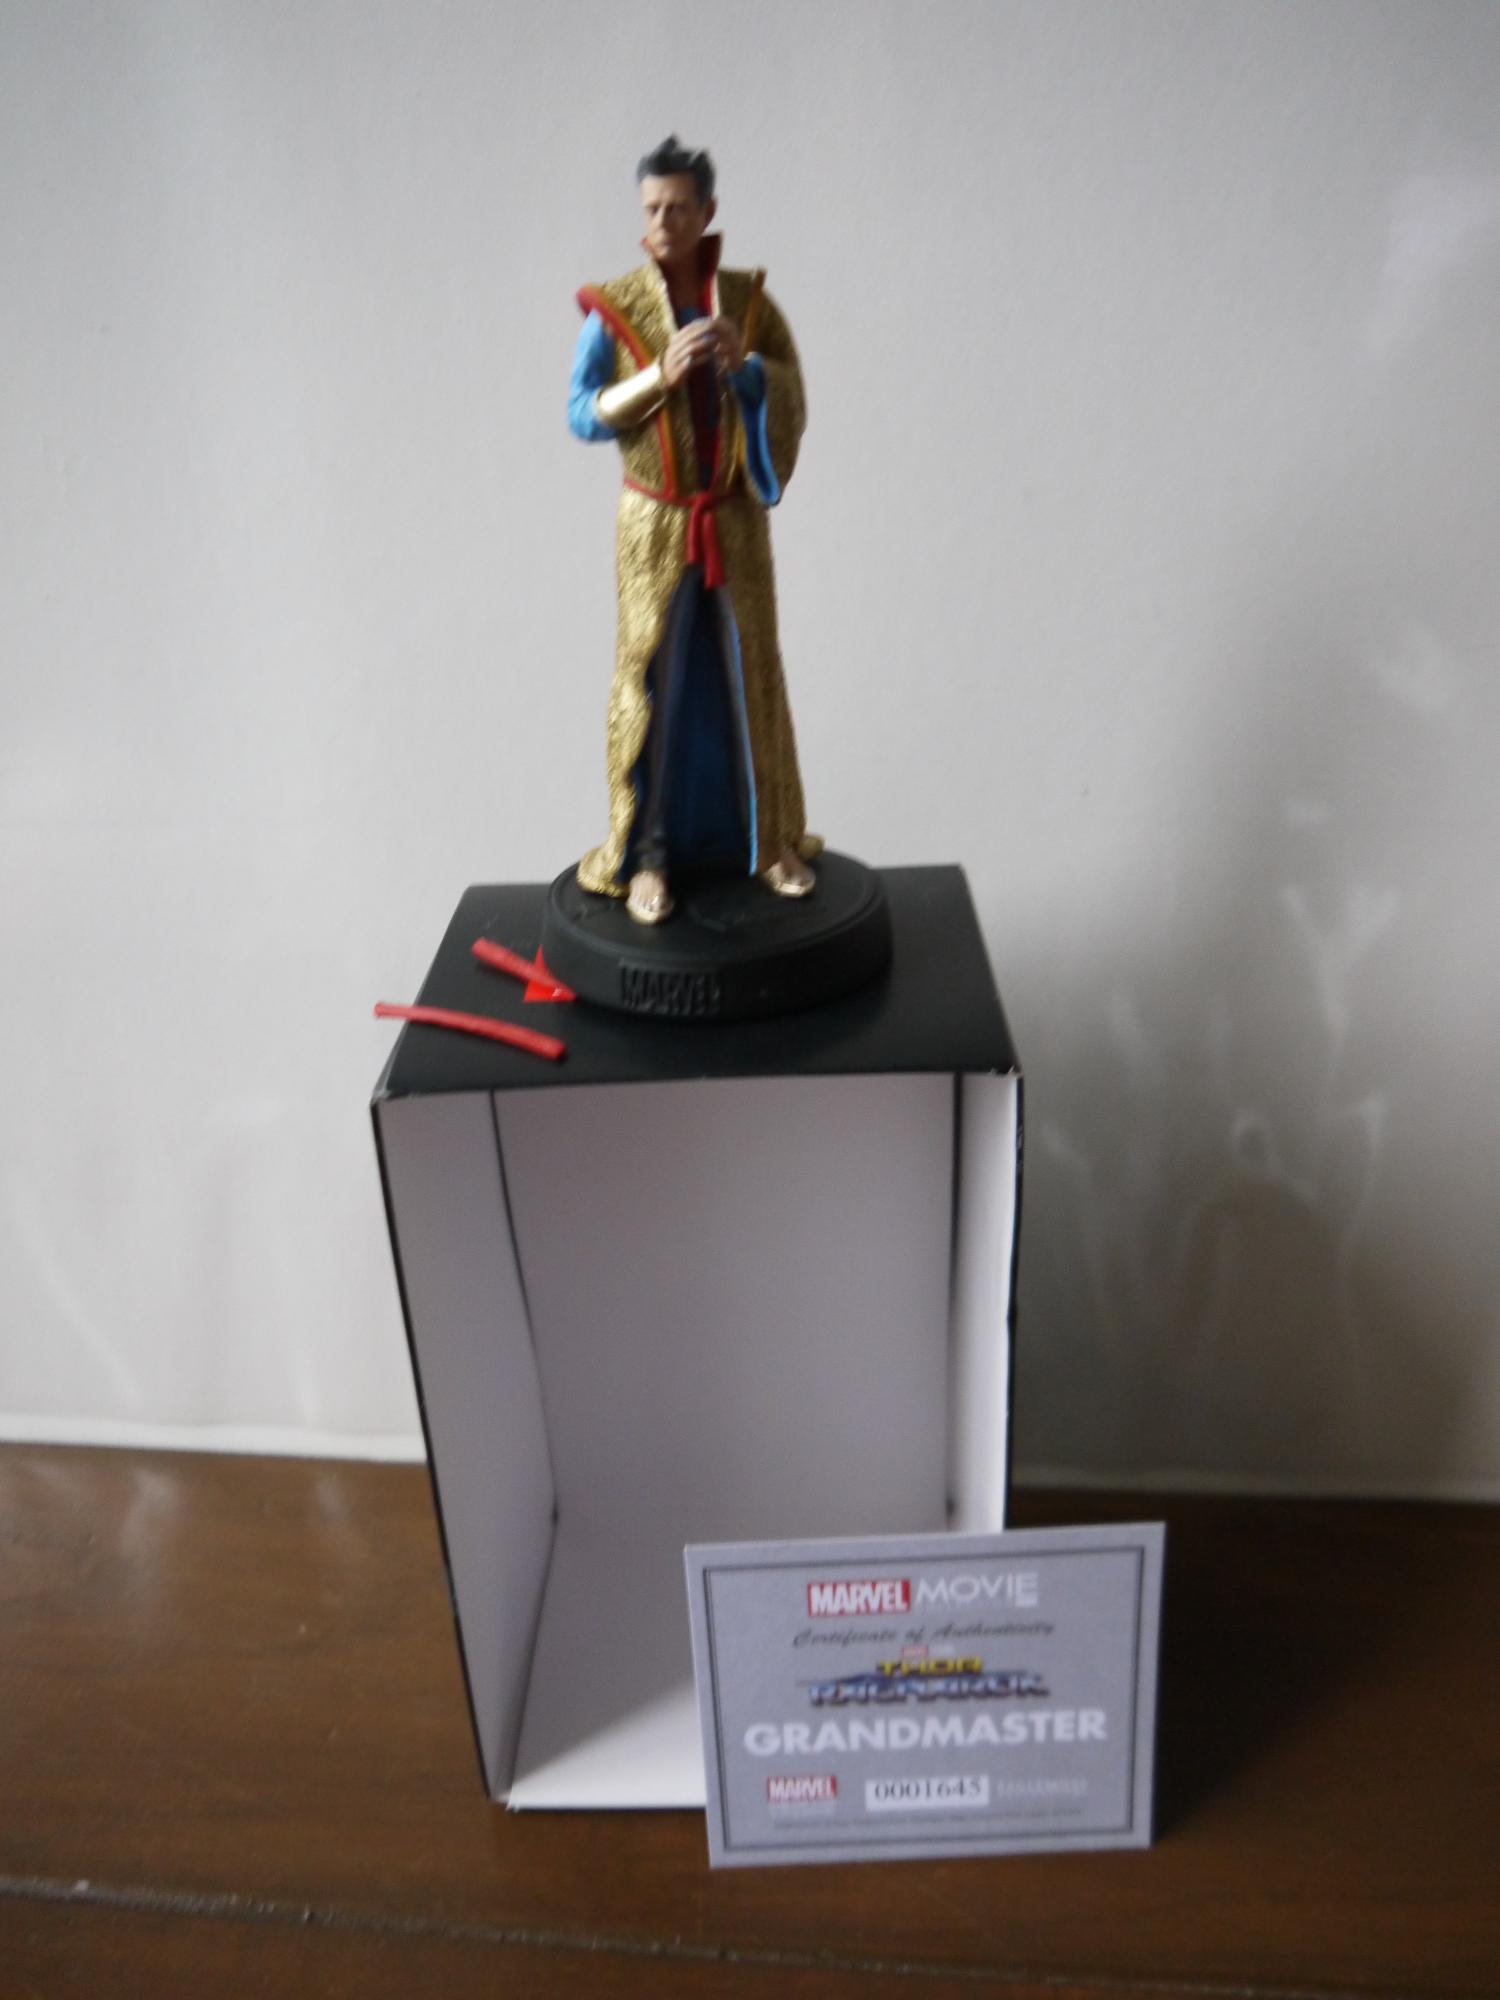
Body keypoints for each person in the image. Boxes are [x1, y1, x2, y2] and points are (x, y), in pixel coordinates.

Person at [568, 137, 819, 925]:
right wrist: (657, 377)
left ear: (707, 211)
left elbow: (792, 390)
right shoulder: (615, 309)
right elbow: (582, 412)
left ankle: (770, 841)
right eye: (653, 208)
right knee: (657, 684)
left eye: (679, 208)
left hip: (733, 518)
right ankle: (649, 855)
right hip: (656, 524)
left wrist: (750, 372)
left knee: (752, 672)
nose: (664, 222)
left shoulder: (746, 302)